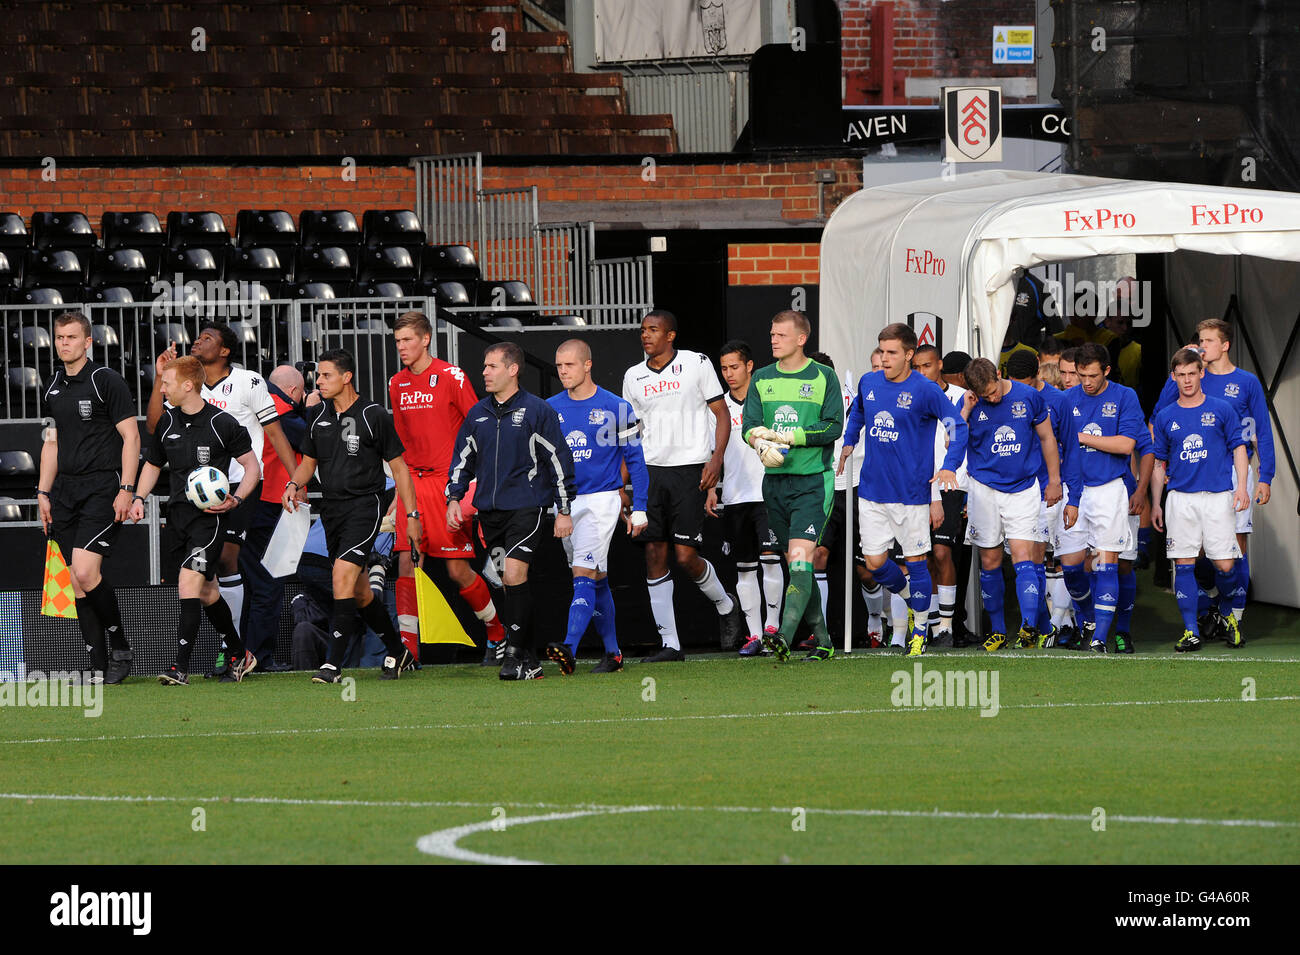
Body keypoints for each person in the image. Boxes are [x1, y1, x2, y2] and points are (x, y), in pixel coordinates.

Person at [147, 322, 298, 677]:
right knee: (208, 580)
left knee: (226, 561)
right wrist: (160, 378)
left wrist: (297, 478)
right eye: (197, 336)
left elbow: (273, 431)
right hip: (194, 493)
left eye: (208, 338)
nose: (198, 340)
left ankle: (219, 652)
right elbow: (156, 426)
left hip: (237, 484)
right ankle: (235, 649)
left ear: (226, 350)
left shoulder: (249, 381)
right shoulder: (184, 387)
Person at [282, 349, 417, 683]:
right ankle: (398, 652)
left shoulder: (373, 415)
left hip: (364, 506)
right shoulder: (316, 416)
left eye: (327, 375)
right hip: (331, 509)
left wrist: (410, 513)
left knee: (341, 575)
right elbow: (308, 463)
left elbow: (400, 469)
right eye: (319, 375)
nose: (320, 381)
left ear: (347, 377)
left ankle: (333, 665)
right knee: (359, 592)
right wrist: (293, 482)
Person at [446, 342, 575, 680]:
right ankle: (530, 660)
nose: (484, 373)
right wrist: (454, 498)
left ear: (513, 369)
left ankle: (514, 656)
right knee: (507, 582)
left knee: (515, 575)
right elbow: (462, 460)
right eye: (485, 366)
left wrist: (563, 509)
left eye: (491, 367)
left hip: (527, 508)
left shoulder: (537, 411)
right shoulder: (477, 413)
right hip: (490, 513)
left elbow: (559, 460)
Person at [129, 356, 260, 685]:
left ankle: (179, 668)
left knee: (188, 585)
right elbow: (153, 465)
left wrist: (237, 498)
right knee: (207, 593)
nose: (164, 388)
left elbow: (252, 468)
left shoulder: (223, 423)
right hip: (177, 519)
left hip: (209, 521)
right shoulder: (167, 423)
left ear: (188, 385)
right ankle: (239, 653)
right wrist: (138, 499)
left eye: (168, 383)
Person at [839, 323, 967, 657]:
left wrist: (949, 465)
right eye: (881, 351)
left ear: (909, 354)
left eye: (891, 352)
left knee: (917, 562)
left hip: (911, 494)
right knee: (874, 562)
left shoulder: (926, 390)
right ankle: (914, 601)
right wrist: (850, 442)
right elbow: (858, 415)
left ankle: (920, 629)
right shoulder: (869, 382)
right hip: (871, 491)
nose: (883, 358)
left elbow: (958, 426)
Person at [622, 310, 742, 662]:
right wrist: (624, 479)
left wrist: (715, 459)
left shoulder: (696, 363)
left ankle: (724, 604)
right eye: (643, 330)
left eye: (654, 330)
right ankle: (670, 644)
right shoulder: (633, 376)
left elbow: (721, 414)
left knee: (686, 556)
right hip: (650, 473)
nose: (646, 335)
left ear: (671, 335)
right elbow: (629, 432)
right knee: (654, 554)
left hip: (690, 470)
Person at [387, 311, 505, 665]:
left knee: (457, 571)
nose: (402, 347)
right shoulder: (396, 383)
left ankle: (497, 633)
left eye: (408, 340)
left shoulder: (451, 376)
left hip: (447, 483)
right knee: (407, 562)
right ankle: (408, 649)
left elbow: (478, 428)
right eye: (397, 342)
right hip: (412, 484)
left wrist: (472, 485)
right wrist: (399, 494)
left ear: (425, 339)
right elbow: (400, 446)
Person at [38, 311, 140, 684]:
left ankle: (121, 648)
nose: (64, 343)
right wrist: (43, 492)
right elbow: (53, 442)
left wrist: (127, 489)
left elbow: (132, 437)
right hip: (65, 489)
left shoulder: (105, 381)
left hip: (103, 486)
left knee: (85, 570)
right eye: (59, 337)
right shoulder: (52, 386)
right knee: (75, 581)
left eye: (71, 337)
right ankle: (97, 665)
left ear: (87, 341)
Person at [1152, 318, 1273, 632]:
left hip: (1236, 470)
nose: (1200, 346)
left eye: (1206, 341)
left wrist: (1265, 475)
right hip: (1195, 474)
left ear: (1225, 345)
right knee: (1196, 550)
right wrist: (1180, 364)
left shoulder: (1246, 382)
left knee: (1234, 547)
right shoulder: (1192, 376)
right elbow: (1161, 414)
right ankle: (1210, 604)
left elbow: (1261, 428)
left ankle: (1235, 617)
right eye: (1199, 341)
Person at [742, 311, 843, 661]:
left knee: (801, 562)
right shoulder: (762, 377)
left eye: (780, 335)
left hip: (812, 484)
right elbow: (750, 425)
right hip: (775, 486)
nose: (773, 340)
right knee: (796, 566)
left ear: (801, 339)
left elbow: (833, 428)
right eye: (771, 334)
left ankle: (781, 636)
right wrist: (760, 443)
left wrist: (789, 436)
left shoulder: (823, 377)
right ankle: (825, 641)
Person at [545, 339, 650, 674]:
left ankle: (568, 647)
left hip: (601, 502)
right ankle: (614, 654)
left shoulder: (616, 407)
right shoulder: (550, 409)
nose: (563, 372)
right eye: (559, 366)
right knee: (598, 577)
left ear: (587, 365)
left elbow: (636, 460)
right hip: (565, 504)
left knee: (582, 573)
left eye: (570, 365)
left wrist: (641, 507)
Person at [1149, 347, 1251, 651]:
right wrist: (1156, 502)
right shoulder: (1166, 416)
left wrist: (1242, 487)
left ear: (1201, 373)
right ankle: (1191, 630)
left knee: (1225, 566)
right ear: (1173, 377)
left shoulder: (1222, 409)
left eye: (1192, 373)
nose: (1187, 380)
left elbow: (1239, 449)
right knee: (1183, 564)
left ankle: (1227, 616)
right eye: (1181, 375)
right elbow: (1158, 463)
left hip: (1218, 496)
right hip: (1180, 498)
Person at [958, 358, 1061, 651]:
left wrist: (1054, 480)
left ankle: (1028, 628)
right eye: (986, 396)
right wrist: (965, 409)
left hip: (1023, 487)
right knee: (989, 561)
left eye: (994, 391)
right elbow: (950, 442)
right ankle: (999, 631)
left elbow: (1047, 438)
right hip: (983, 489)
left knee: (1023, 556)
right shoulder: (970, 404)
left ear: (999, 375)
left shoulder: (1028, 396)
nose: (993, 398)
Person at [1056, 342, 1145, 653]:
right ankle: (1089, 619)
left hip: (1110, 488)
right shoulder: (1065, 399)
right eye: (1081, 376)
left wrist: (1079, 436)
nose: (1086, 382)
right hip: (1073, 489)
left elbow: (1126, 445)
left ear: (1106, 370)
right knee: (1070, 566)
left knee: (1109, 563)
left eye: (1092, 375)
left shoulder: (1124, 396)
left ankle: (1098, 640)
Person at [711, 340, 783, 657]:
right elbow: (711, 452)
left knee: (771, 560)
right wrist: (711, 488)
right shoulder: (717, 409)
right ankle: (754, 635)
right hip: (736, 495)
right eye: (724, 368)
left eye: (734, 367)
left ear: (749, 366)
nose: (729, 374)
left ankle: (773, 631)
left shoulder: (770, 400)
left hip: (769, 493)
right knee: (744, 568)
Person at [808, 350, 883, 651]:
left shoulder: (852, 397)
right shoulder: (805, 403)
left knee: (865, 567)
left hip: (855, 486)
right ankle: (822, 631)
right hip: (824, 488)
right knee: (819, 555)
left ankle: (876, 620)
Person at [239, 364, 308, 670]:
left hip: (246, 501)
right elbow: (313, 439)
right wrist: (313, 411)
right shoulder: (281, 407)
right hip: (273, 504)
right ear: (294, 391)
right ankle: (260, 657)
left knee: (247, 583)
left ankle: (239, 654)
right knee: (269, 581)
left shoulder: (251, 401)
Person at [1005, 349, 1074, 644]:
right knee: (1025, 563)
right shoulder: (1001, 398)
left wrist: (1062, 485)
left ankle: (1033, 627)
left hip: (1046, 489)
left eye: (1025, 383)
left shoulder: (1059, 401)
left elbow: (1069, 447)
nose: (1018, 389)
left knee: (1038, 558)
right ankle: (1043, 626)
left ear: (1037, 377)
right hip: (1013, 490)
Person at [912, 344, 969, 647]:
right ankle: (932, 627)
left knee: (942, 552)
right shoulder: (910, 396)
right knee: (922, 556)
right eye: (917, 367)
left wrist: (965, 487)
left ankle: (946, 627)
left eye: (927, 366)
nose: (922, 372)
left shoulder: (959, 397)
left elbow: (964, 440)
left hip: (950, 485)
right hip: (916, 486)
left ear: (940, 365)